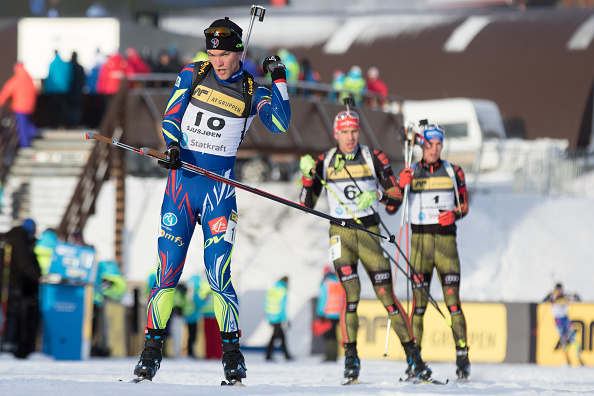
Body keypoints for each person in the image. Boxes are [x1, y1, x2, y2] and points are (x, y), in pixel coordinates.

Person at [133, 16, 291, 384]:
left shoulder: (253, 90)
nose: (218, 60)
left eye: (224, 54)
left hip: (218, 192)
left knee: (219, 275)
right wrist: (172, 146)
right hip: (181, 187)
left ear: (239, 51)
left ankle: (233, 358)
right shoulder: (194, 72)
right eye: (213, 52)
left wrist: (279, 79)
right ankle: (150, 355)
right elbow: (171, 115)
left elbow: (281, 124)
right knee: (167, 271)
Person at [299, 110, 431, 383]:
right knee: (351, 295)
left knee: (387, 297)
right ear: (336, 134)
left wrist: (380, 193)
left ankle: (414, 358)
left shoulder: (374, 157)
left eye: (354, 132)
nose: (350, 137)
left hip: (369, 232)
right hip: (341, 234)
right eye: (344, 132)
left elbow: (394, 204)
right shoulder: (325, 161)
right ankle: (351, 360)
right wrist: (307, 178)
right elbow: (306, 204)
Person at [396, 123, 470, 380]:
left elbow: (464, 205)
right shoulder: (411, 169)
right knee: (418, 307)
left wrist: (455, 215)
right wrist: (400, 183)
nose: (435, 149)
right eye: (430, 144)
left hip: (446, 245)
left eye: (439, 144)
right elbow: (393, 204)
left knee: (452, 304)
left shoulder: (454, 171)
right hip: (419, 245)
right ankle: (415, 358)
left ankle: (462, 356)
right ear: (422, 145)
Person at [1, 219, 41, 358]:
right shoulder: (18, 240)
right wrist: (38, 278)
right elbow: (24, 264)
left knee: (11, 316)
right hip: (13, 285)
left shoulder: (13, 238)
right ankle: (9, 346)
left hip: (13, 285)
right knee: (12, 316)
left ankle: (11, 345)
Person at [543, 283, 583, 365]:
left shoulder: (565, 296)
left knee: (573, 337)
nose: (559, 292)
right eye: (557, 290)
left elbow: (578, 298)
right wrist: (548, 297)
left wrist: (574, 296)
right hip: (558, 321)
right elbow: (543, 301)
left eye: (560, 290)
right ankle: (567, 360)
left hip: (566, 319)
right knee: (564, 340)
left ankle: (579, 358)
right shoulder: (552, 297)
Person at [0, 62, 38, 148]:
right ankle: (34, 133)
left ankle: (25, 145)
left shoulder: (17, 80)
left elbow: (6, 91)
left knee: (22, 127)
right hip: (30, 106)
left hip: (20, 107)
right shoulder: (29, 79)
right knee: (28, 124)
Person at [314, 266, 345, 362]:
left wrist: (319, 312)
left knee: (328, 336)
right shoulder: (339, 283)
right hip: (337, 313)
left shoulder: (326, 283)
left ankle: (329, 356)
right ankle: (334, 356)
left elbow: (323, 299)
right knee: (334, 335)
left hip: (327, 314)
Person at [264, 276, 293, 361]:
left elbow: (266, 302)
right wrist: (286, 319)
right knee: (276, 336)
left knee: (279, 336)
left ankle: (285, 355)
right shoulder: (283, 290)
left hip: (271, 315)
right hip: (278, 316)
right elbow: (283, 307)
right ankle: (270, 355)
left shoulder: (273, 288)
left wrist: (268, 316)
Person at [44, 50, 72, 128]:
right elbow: (69, 77)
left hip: (54, 90)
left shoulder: (52, 64)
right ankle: (62, 124)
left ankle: (54, 124)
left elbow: (49, 78)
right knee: (62, 107)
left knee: (54, 108)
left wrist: (47, 90)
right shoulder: (65, 65)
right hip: (64, 90)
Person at [67, 52, 86, 128]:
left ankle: (69, 123)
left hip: (69, 91)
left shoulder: (68, 66)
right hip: (78, 91)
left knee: (69, 107)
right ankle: (76, 123)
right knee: (77, 108)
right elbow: (83, 80)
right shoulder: (80, 67)